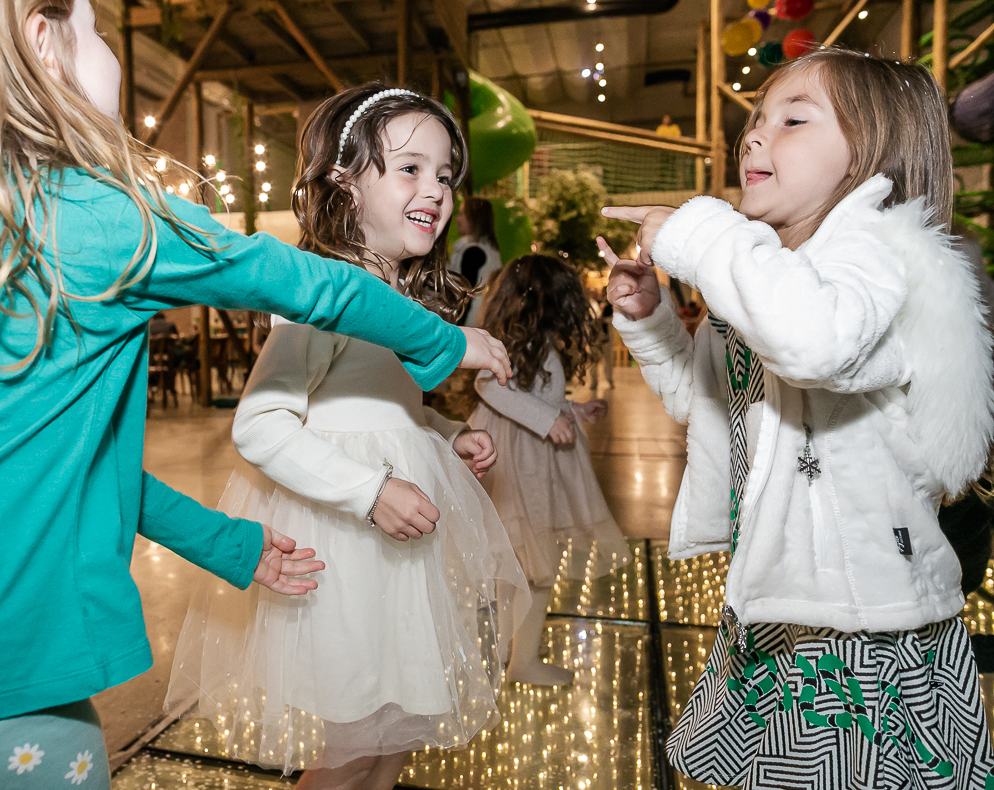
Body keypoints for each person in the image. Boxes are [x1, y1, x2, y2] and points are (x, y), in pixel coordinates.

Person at [0, 0, 512, 789]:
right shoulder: (107, 219)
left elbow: (78, 465)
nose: (111, 48)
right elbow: (310, 283)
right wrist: (446, 341)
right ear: (45, 44)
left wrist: (225, 543)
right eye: (98, 29)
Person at [602, 49, 994, 788]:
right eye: (754, 121)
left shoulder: (877, 256)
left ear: (868, 153)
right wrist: (651, 322)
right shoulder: (766, 283)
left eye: (792, 120)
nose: (754, 136)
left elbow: (814, 344)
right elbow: (709, 405)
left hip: (857, 624)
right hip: (782, 598)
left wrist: (702, 233)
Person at [165, 84, 529, 790]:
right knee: (354, 748)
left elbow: (381, 408)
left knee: (396, 738)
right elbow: (261, 427)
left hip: (400, 552)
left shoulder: (402, 298)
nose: (437, 189)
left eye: (446, 174)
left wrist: (444, 435)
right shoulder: (323, 294)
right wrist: (370, 490)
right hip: (345, 547)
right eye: (410, 168)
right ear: (345, 182)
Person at [468, 255, 630, 686]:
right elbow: (488, 385)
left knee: (526, 558)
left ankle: (510, 650)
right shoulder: (509, 343)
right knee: (535, 562)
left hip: (533, 456)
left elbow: (537, 393)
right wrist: (547, 420)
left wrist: (572, 410)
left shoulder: (532, 340)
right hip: (522, 459)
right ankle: (520, 660)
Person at [448, 196, 501, 325]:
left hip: (469, 324)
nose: (457, 219)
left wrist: (457, 326)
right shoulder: (490, 250)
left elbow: (466, 296)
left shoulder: (473, 252)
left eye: (461, 214)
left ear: (474, 219)